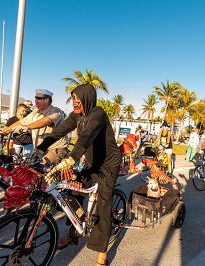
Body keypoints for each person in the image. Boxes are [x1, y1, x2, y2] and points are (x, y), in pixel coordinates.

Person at [35, 84, 121, 266]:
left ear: (87, 98)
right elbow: (59, 132)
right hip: (91, 163)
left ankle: (102, 254)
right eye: (73, 98)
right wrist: (40, 149)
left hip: (108, 165)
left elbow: (86, 137)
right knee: (73, 190)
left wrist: (71, 159)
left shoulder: (97, 113)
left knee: (103, 206)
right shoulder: (76, 116)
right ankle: (76, 229)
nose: (74, 102)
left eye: (78, 99)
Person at [2, 89, 68, 163]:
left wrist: (28, 127)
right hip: (39, 149)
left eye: (39, 98)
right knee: (28, 168)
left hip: (54, 149)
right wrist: (4, 131)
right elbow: (21, 122)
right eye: (35, 97)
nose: (36, 100)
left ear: (47, 100)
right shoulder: (35, 112)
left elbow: (47, 120)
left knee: (42, 168)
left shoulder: (56, 111)